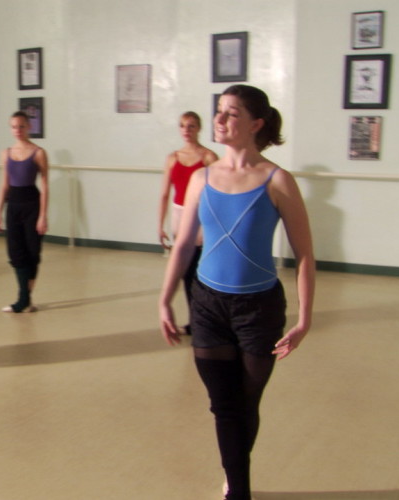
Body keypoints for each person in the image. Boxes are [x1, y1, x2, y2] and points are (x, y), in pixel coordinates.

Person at [158, 85, 315, 500]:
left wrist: (304, 319)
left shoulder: (278, 181)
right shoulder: (200, 179)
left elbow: (304, 255)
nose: (220, 120)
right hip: (208, 304)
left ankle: (234, 473)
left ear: (256, 124)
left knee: (246, 404)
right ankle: (238, 489)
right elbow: (184, 242)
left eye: (230, 113)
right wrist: (164, 299)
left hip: (259, 309)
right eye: (219, 112)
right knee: (223, 407)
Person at [158, 111, 218, 335]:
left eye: (191, 126)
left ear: (199, 129)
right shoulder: (172, 158)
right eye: (183, 126)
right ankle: (196, 320)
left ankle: (204, 319)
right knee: (185, 269)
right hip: (178, 215)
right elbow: (164, 193)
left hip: (201, 216)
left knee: (199, 269)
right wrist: (160, 225)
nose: (186, 130)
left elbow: (217, 193)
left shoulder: (209, 157)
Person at [0, 111, 49, 313]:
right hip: (13, 206)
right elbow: (4, 184)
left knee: (33, 252)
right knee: (16, 253)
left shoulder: (39, 152)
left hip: (32, 205)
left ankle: (25, 299)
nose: (17, 130)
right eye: (14, 127)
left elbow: (44, 184)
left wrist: (43, 215)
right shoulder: (6, 154)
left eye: (21, 126)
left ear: (29, 127)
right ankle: (23, 299)